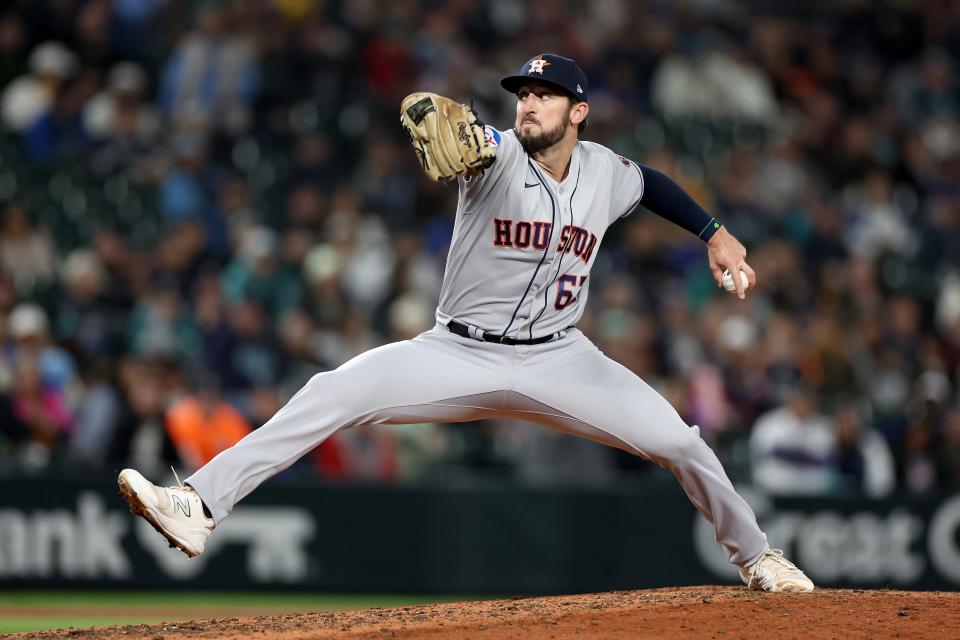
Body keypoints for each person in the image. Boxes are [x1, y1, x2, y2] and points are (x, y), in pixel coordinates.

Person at [119, 54, 813, 593]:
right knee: (330, 392)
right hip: (455, 353)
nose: (530, 103)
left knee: (682, 443)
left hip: (561, 359)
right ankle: (197, 507)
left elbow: (654, 184)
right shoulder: (495, 153)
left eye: (544, 95)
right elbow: (454, 128)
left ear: (580, 111)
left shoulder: (606, 171)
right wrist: (431, 111)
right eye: (523, 94)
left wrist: (714, 231)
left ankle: (757, 559)